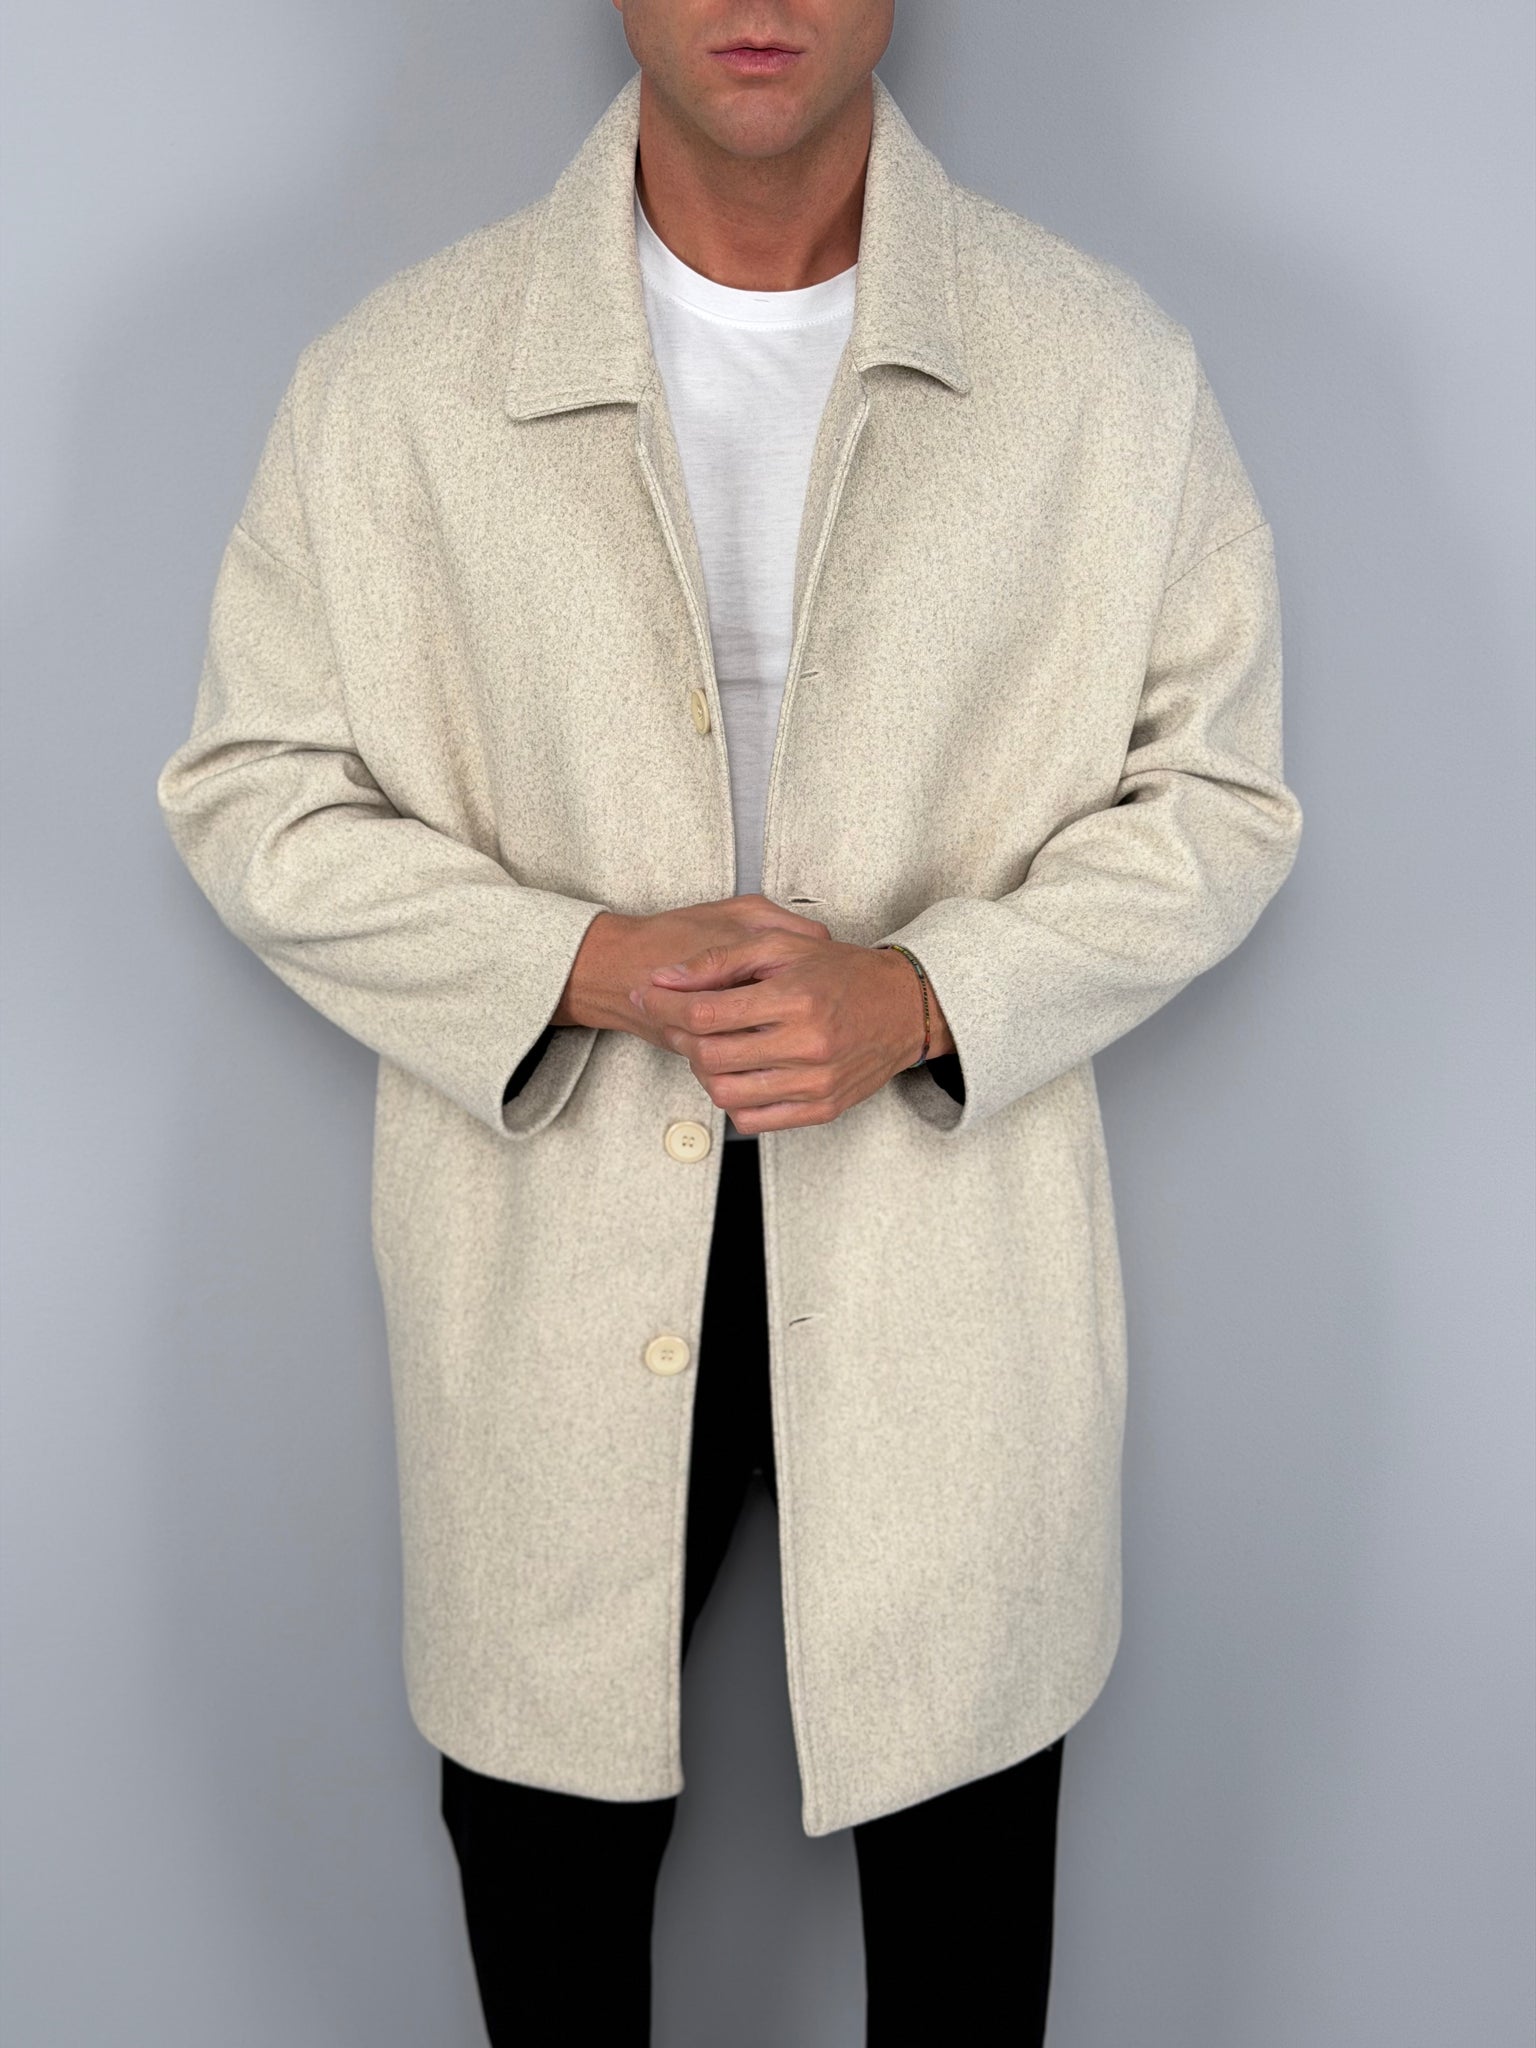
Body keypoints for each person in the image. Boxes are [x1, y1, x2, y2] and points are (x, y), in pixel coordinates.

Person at [156, 2, 1303, 2040]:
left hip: (951, 1250)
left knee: (967, 1882)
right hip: (552, 1238)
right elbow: (251, 789)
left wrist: (923, 993)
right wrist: (589, 964)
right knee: (544, 1869)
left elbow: (1220, 800)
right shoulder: (401, 380)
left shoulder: (1099, 369)